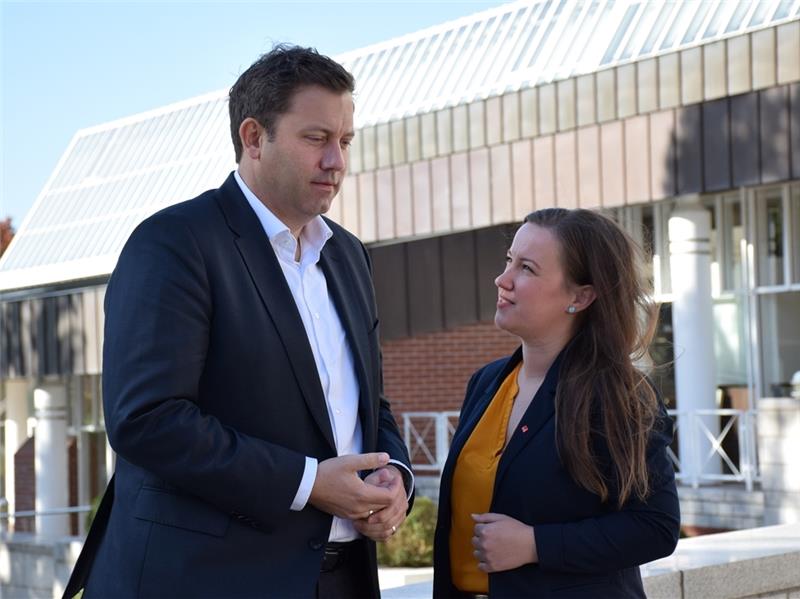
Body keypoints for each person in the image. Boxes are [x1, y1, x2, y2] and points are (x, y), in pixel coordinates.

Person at [64, 45, 413, 599]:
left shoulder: (349, 255)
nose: (337, 162)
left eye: (345, 141)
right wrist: (307, 484)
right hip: (204, 579)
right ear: (254, 138)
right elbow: (147, 418)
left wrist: (394, 474)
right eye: (316, 138)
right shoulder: (174, 243)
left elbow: (369, 406)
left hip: (344, 578)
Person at [433, 208, 680, 598]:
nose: (503, 279)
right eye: (509, 261)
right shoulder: (485, 383)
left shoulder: (620, 396)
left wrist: (534, 544)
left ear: (581, 297)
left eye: (527, 269)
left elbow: (655, 527)